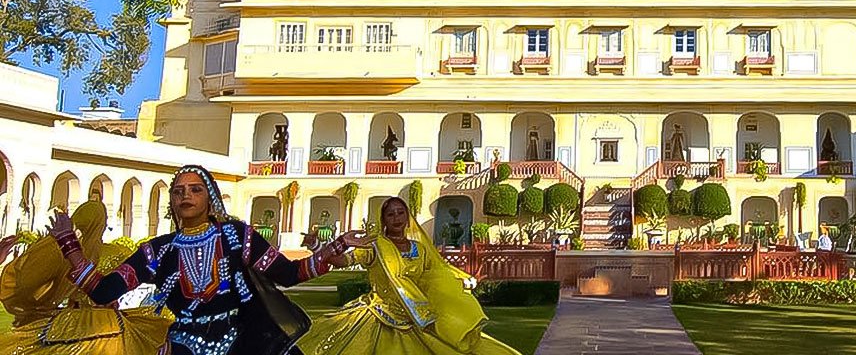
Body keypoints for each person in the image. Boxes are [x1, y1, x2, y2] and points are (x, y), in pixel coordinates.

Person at [46, 164, 367, 355]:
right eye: (178, 191)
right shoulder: (156, 251)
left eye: (195, 189)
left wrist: (334, 246)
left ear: (209, 198)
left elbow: (288, 274)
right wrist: (69, 245)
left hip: (245, 341)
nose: (185, 195)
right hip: (184, 346)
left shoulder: (236, 237)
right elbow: (103, 292)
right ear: (171, 201)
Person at [298, 196, 520, 355]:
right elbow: (342, 261)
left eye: (400, 212)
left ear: (408, 216)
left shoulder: (419, 248)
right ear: (383, 219)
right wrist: (318, 246)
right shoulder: (374, 245)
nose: (396, 218)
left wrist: (457, 282)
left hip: (418, 315)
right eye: (390, 214)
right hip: (380, 314)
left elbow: (434, 274)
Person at [0, 201, 172, 354]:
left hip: (66, 323)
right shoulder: (116, 253)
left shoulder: (61, 255)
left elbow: (26, 280)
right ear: (102, 224)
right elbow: (147, 270)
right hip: (108, 325)